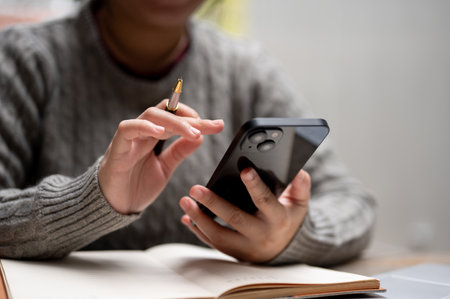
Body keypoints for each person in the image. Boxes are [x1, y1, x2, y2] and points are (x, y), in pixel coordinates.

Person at [0, 0, 376, 265]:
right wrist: (93, 198)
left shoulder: (246, 68)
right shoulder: (23, 59)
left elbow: (352, 203)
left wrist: (290, 236)